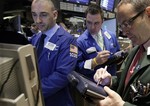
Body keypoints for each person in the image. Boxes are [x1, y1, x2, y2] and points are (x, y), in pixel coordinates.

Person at [94, 0, 150, 106]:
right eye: (121, 26)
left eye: (127, 23)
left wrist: (120, 105)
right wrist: (110, 81)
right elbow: (127, 83)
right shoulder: (135, 51)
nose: (124, 32)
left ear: (148, 13)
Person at [29, 0, 78, 106]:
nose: (38, 20)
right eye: (34, 15)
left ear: (55, 15)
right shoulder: (35, 38)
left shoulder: (69, 41)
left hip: (57, 101)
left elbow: (63, 75)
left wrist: (33, 92)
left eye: (43, 15)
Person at [76, 4, 120, 81]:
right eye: (89, 22)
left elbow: (118, 56)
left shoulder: (111, 36)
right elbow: (78, 67)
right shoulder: (80, 42)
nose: (92, 27)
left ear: (102, 21)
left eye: (96, 23)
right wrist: (95, 62)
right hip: (94, 85)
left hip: (112, 82)